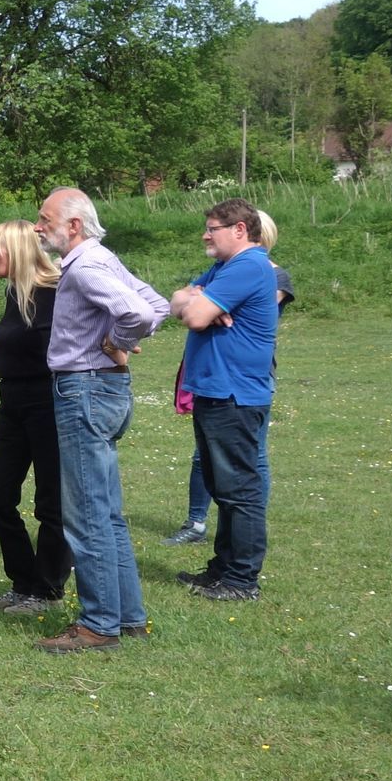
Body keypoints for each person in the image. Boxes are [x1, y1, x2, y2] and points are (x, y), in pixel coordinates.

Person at [33, 188, 169, 653]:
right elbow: (159, 304)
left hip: (84, 389)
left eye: (45, 219)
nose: (38, 227)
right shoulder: (102, 258)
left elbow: (140, 311)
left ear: (73, 225)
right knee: (106, 512)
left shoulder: (85, 266)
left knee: (86, 514)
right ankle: (127, 617)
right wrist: (118, 341)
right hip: (103, 389)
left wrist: (117, 341)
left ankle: (98, 624)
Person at [170, 197, 279, 603]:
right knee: (221, 486)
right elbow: (176, 301)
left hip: (235, 395)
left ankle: (242, 580)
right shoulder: (225, 267)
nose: (205, 235)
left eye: (212, 228)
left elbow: (194, 316)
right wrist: (194, 300)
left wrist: (199, 305)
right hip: (214, 391)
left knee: (239, 490)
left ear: (239, 230)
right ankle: (222, 569)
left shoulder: (248, 266)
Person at [0, 219, 70, 615]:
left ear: (16, 251)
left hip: (49, 404)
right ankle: (23, 582)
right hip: (12, 403)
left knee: (51, 503)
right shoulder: (14, 292)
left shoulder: (56, 291)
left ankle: (47, 590)